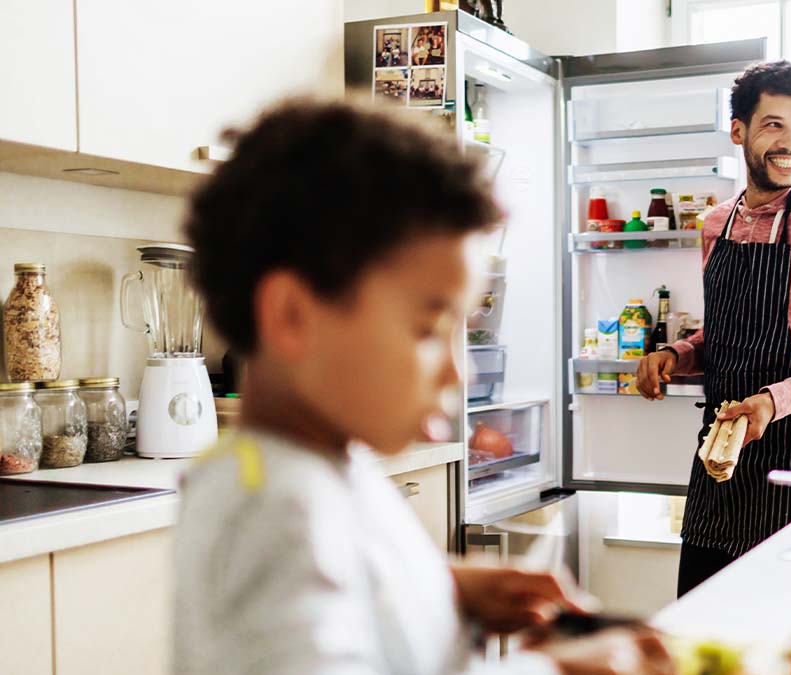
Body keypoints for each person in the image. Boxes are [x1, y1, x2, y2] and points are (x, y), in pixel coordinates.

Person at [174, 99, 673, 675]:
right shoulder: (268, 509)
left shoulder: (324, 466)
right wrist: (556, 670)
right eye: (428, 328)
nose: (458, 372)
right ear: (293, 317)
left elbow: (345, 580)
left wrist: (447, 588)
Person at [635, 61, 791, 597]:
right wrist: (678, 354)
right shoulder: (715, 223)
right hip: (717, 463)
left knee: (786, 642)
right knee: (698, 631)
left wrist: (775, 401)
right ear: (738, 132)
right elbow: (723, 335)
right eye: (774, 125)